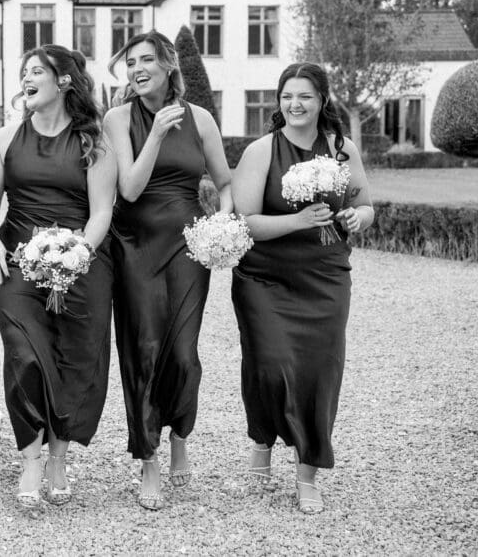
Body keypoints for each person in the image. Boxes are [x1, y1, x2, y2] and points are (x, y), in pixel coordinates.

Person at [231, 62, 373, 514]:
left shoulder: (341, 148)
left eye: (305, 96)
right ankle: (262, 439)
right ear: (278, 102)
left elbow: (366, 205)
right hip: (264, 277)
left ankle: (308, 469)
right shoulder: (260, 152)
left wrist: (356, 218)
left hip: (324, 276)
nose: (295, 104)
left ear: (322, 101)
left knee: (319, 370)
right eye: (287, 96)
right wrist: (298, 220)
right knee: (269, 363)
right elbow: (245, 222)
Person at [0, 44, 116, 509]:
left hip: (82, 262)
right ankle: (30, 458)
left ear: (64, 81)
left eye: (36, 71)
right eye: (24, 71)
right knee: (24, 353)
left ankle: (59, 457)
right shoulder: (5, 138)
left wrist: (77, 254)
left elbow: (101, 212)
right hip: (15, 260)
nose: (26, 78)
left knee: (75, 357)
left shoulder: (92, 142)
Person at [103, 31, 233, 510]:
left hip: (188, 245)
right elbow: (130, 189)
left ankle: (180, 433)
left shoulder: (200, 118)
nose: (137, 70)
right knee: (144, 349)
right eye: (130, 62)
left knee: (182, 351)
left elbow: (225, 181)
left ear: (168, 67)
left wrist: (223, 220)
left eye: (146, 61)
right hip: (134, 244)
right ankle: (149, 458)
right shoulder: (117, 118)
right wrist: (156, 132)